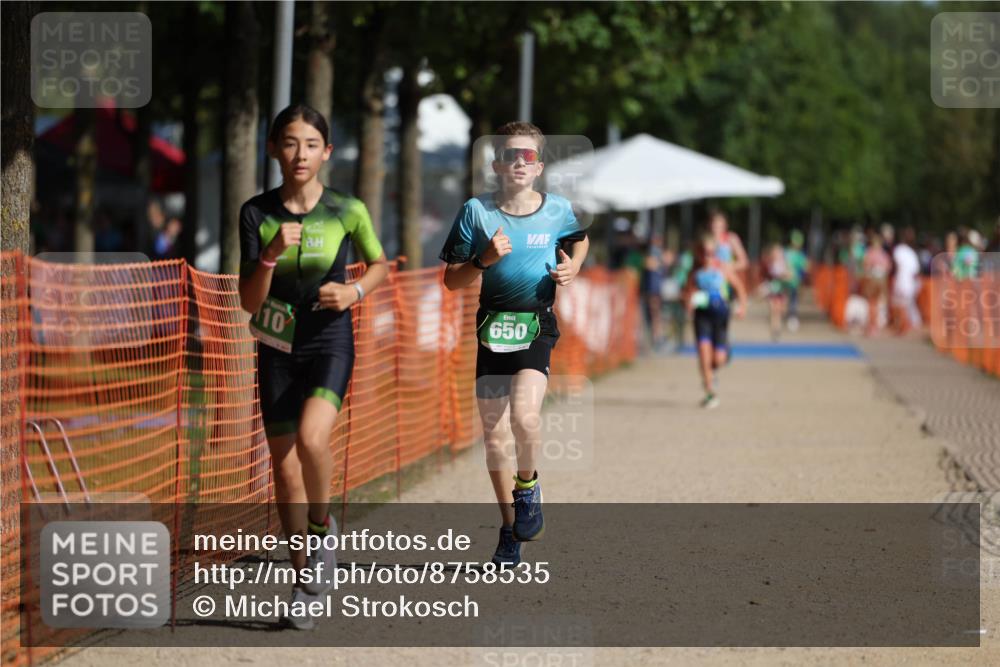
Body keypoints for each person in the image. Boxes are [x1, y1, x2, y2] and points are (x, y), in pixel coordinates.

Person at [238, 104, 389, 629]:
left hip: (328, 339)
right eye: (288, 142)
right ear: (273, 149)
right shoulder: (256, 214)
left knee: (312, 440)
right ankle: (305, 581)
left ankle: (323, 531)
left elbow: (380, 265)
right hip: (276, 344)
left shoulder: (348, 209)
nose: (298, 154)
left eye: (309, 144)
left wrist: (352, 291)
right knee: (282, 470)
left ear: (326, 152)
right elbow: (249, 302)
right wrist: (269, 256)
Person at [439, 121, 589, 566]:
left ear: (539, 167)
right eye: (511, 155)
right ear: (497, 164)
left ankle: (528, 488)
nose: (520, 163)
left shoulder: (558, 210)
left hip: (536, 324)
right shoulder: (476, 212)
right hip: (491, 327)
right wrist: (484, 259)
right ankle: (510, 529)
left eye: (528, 156)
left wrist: (573, 268)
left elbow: (580, 242)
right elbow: (451, 280)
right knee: (494, 436)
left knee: (524, 416)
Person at [685, 233, 747, 408]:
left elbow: (740, 288)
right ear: (699, 253)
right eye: (704, 252)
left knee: (717, 359)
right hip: (702, 316)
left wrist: (742, 308)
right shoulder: (695, 272)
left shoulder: (723, 269)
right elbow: (688, 292)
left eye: (711, 253)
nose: (708, 256)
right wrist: (689, 303)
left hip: (720, 316)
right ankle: (710, 393)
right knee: (704, 354)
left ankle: (720, 358)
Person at [891, 227, 922, 334]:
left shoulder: (899, 250)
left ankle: (903, 327)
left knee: (901, 305)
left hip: (902, 281)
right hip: (910, 282)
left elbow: (895, 266)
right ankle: (906, 325)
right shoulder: (911, 252)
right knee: (906, 305)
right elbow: (916, 270)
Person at [860, 229, 891, 336]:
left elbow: (865, 266)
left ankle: (871, 326)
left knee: (871, 303)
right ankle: (875, 326)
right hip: (881, 280)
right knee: (877, 303)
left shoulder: (870, 253)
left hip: (872, 280)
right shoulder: (883, 254)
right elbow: (888, 267)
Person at [762, 242, 790, 341]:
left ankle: (777, 327)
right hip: (772, 290)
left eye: (779, 252)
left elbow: (789, 276)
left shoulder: (784, 264)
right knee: (773, 310)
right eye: (775, 252)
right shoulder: (769, 264)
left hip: (781, 290)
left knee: (780, 311)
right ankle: (774, 330)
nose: (777, 254)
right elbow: (765, 276)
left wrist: (783, 276)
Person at [783, 229, 810, 332]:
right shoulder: (787, 253)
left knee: (794, 300)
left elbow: (806, 267)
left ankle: (792, 317)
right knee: (785, 300)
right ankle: (786, 316)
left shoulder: (800, 255)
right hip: (785, 281)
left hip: (795, 282)